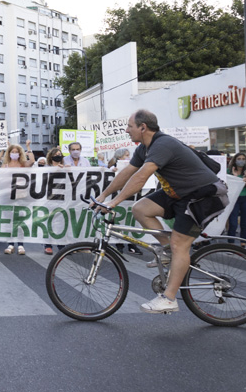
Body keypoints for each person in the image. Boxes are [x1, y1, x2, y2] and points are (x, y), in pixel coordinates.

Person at [95, 110, 225, 313]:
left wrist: (116, 202)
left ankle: (169, 298)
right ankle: (167, 252)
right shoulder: (143, 148)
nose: (126, 130)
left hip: (203, 196)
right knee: (140, 209)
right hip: (179, 194)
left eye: (130, 126)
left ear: (143, 127)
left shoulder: (162, 145)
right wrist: (103, 196)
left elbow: (140, 178)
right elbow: (127, 173)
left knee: (179, 244)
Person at [107, 147, 142, 256]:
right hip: (119, 199)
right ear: (119, 157)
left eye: (128, 155)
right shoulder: (114, 167)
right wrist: (112, 170)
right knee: (118, 221)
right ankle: (119, 246)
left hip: (131, 199)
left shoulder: (133, 167)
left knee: (130, 221)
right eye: (126, 155)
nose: (129, 157)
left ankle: (132, 245)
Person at [3, 140, 34, 255]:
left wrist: (28, 147)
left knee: (20, 221)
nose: (14, 153)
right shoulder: (5, 166)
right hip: (8, 196)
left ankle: (21, 245)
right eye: (12, 151)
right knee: (9, 221)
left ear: (20, 154)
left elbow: (32, 161)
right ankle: (10, 244)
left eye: (17, 152)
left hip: (21, 196)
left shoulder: (23, 165)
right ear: (9, 153)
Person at [226, 152, 246, 249]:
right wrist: (235, 177)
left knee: (245, 223)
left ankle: (243, 244)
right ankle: (231, 244)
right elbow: (227, 185)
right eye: (239, 158)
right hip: (234, 199)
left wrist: (245, 178)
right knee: (233, 223)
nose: (241, 161)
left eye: (243, 159)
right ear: (235, 160)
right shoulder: (229, 171)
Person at [41, 147, 66, 255]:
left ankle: (61, 245)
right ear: (51, 156)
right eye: (56, 154)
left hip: (62, 198)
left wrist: (64, 169)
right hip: (49, 198)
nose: (58, 155)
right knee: (49, 221)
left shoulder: (65, 167)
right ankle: (48, 245)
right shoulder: (46, 168)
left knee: (61, 222)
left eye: (59, 154)